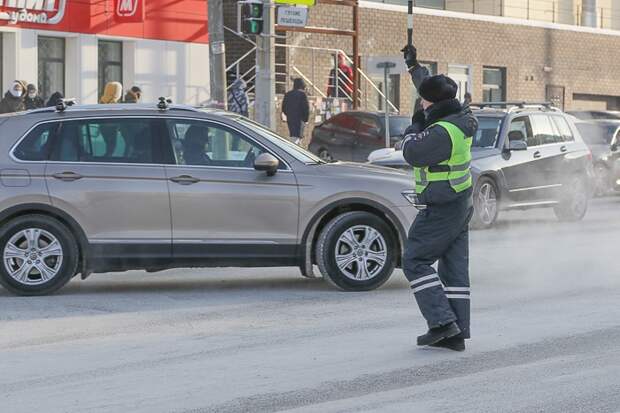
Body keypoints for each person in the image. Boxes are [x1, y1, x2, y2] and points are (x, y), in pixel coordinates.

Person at [395, 44, 478, 352]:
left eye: (423, 100)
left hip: (442, 205)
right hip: (460, 202)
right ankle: (457, 334)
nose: (421, 103)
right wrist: (414, 66)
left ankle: (442, 324)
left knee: (414, 260)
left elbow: (412, 153)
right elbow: (431, 90)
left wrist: (413, 129)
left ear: (431, 103)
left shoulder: (442, 131)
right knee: (454, 269)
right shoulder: (458, 114)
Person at [282, 78, 310, 145]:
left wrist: (289, 115)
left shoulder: (288, 94)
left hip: (290, 119)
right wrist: (306, 119)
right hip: (300, 120)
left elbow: (284, 108)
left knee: (294, 136)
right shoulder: (302, 95)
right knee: (296, 138)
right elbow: (306, 108)